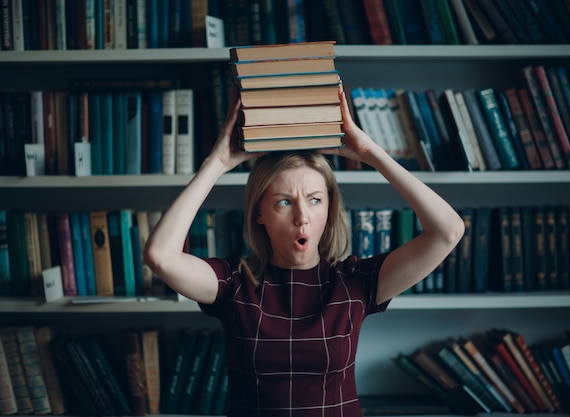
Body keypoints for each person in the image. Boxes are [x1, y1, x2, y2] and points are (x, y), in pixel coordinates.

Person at [143, 83, 465, 417]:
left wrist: (370, 152)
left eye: (314, 200)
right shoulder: (233, 284)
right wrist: (218, 161)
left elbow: (448, 231)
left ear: (329, 208)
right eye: (284, 202)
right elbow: (160, 256)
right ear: (259, 213)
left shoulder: (355, 283)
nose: (302, 217)